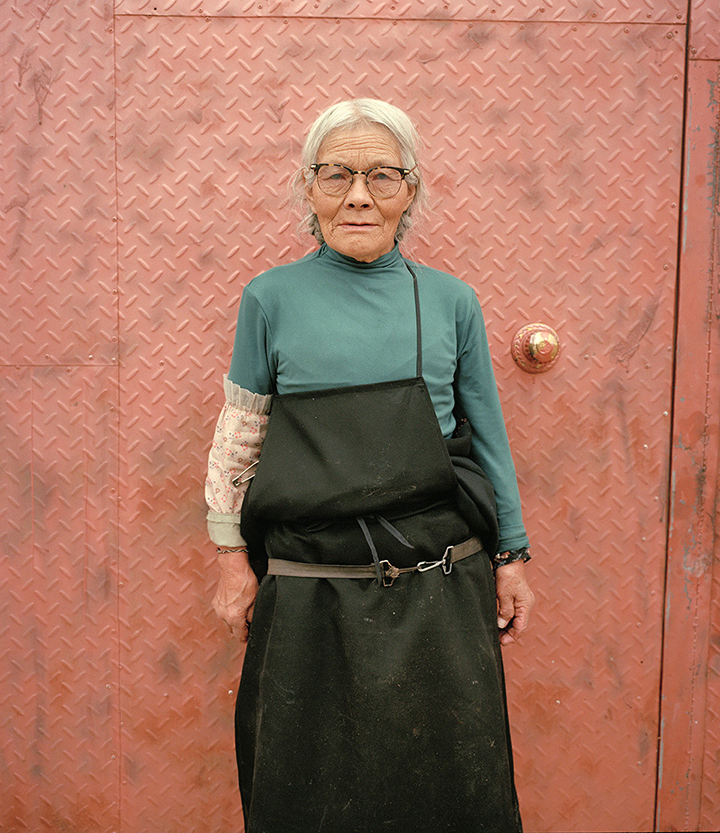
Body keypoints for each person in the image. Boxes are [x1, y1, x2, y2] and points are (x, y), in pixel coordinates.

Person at [205, 98, 534, 833]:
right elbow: (240, 436)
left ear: (411, 190)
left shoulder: (452, 301)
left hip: (437, 580)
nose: (359, 196)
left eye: (383, 175)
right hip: (310, 583)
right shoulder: (269, 298)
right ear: (309, 187)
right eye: (337, 175)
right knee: (306, 792)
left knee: (451, 792)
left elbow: (488, 436)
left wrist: (511, 555)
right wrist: (230, 558)